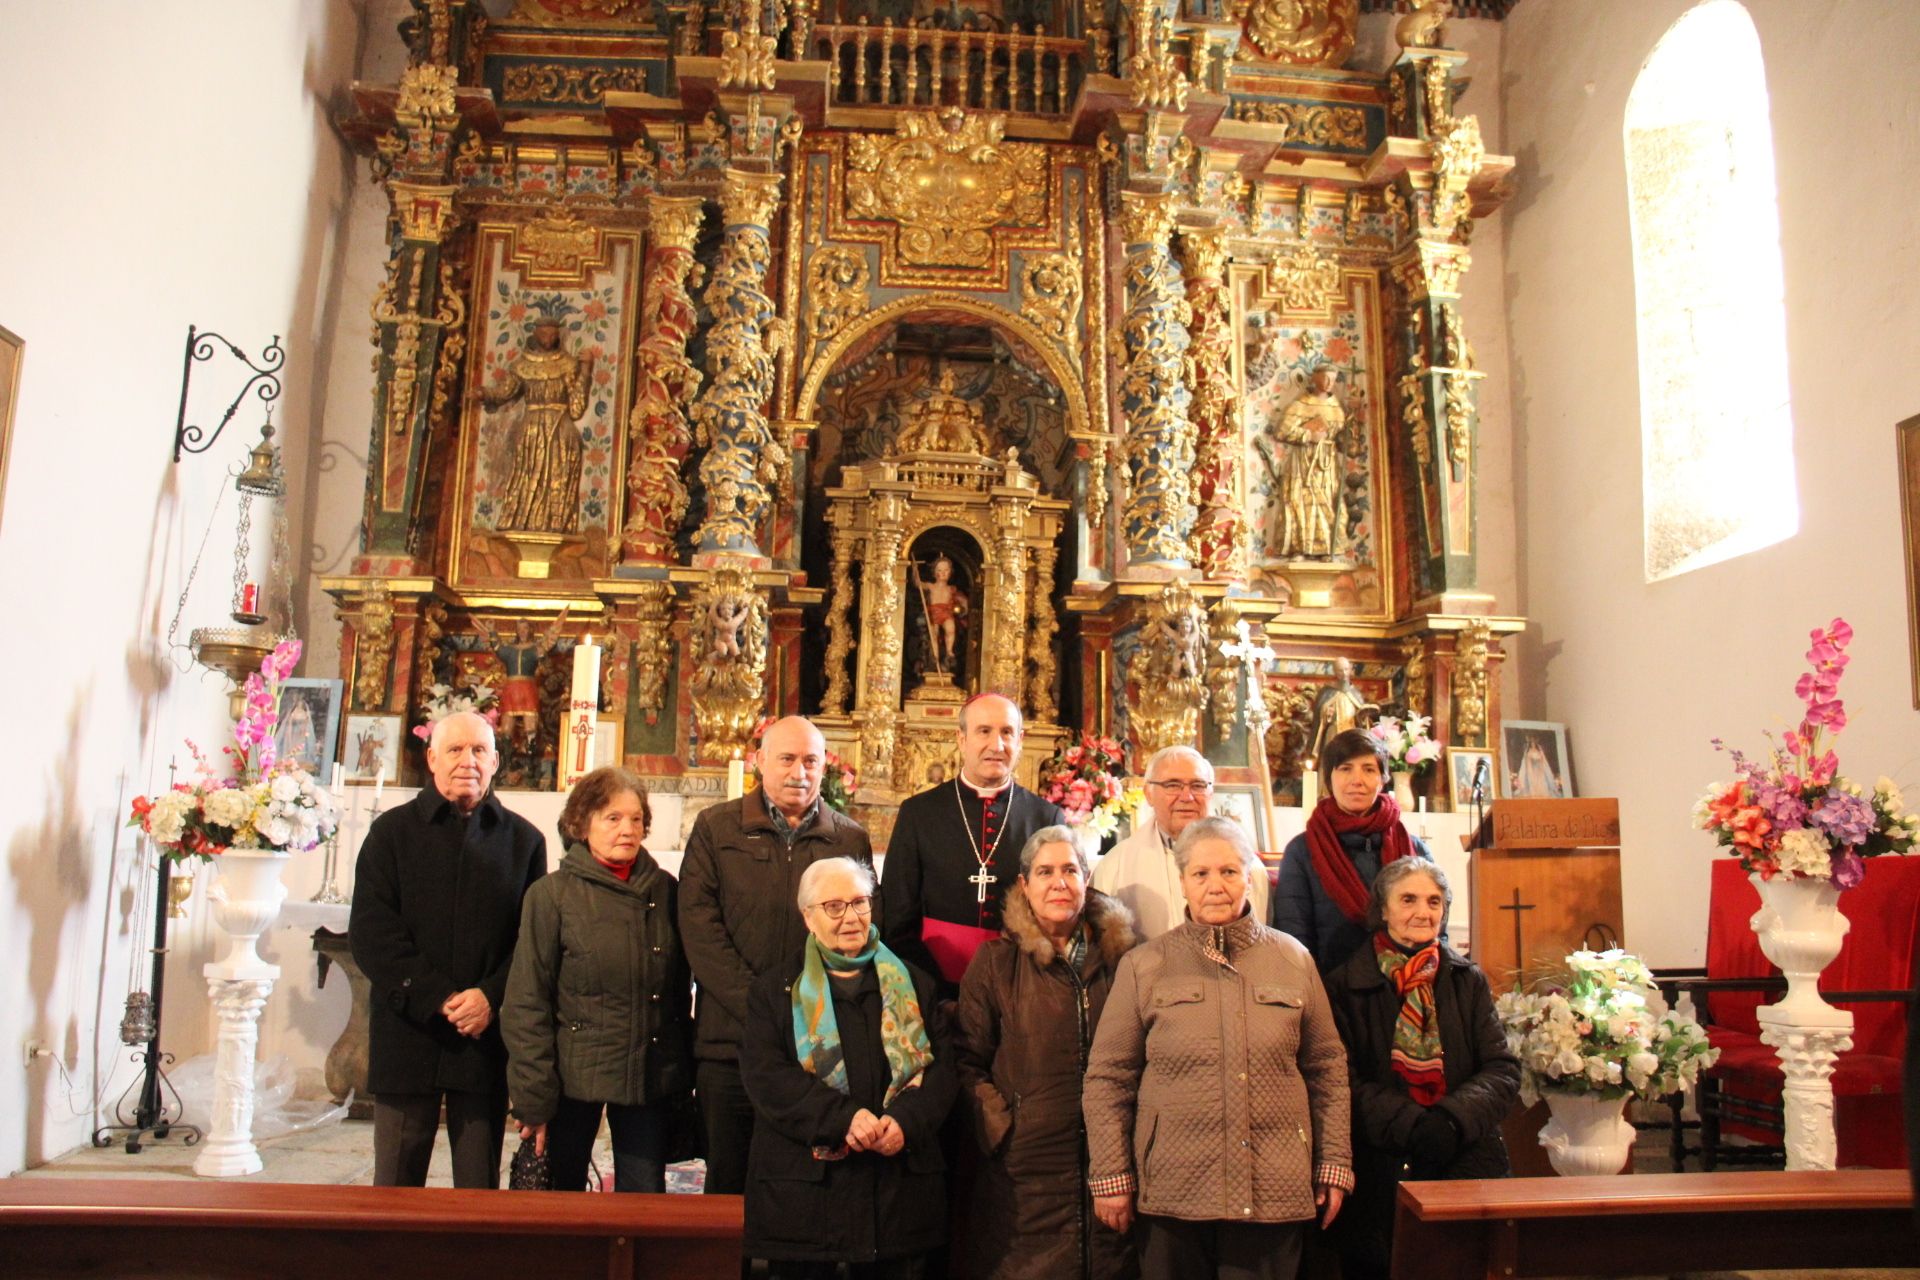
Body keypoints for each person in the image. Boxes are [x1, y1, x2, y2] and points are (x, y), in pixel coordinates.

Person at [1083, 817, 1352, 1280]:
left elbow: (1327, 1068)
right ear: (1182, 881)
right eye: (1201, 874)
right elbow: (1108, 1076)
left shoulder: (1293, 960)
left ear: (1249, 877)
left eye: (1229, 872)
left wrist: (1333, 1162)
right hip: (1172, 1192)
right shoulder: (1144, 965)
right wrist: (1111, 1175)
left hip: (1275, 1190)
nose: (1216, 886)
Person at [678, 715, 876, 1195]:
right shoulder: (715, 828)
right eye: (787, 759)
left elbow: (859, 934)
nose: (800, 772)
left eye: (811, 761)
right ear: (760, 760)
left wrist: (808, 1016)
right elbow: (699, 929)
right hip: (731, 1044)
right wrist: (768, 1012)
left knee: (808, 1184)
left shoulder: (848, 838)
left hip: (819, 1044)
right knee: (729, 1181)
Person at [350, 710, 547, 1188]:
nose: (468, 761)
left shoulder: (524, 841)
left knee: (478, 1188)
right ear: (432, 757)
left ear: (496, 761)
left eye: (479, 750)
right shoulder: (391, 834)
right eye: (455, 750)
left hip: (482, 1039)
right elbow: (373, 932)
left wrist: (489, 997)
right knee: (396, 1185)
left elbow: (532, 942)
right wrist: (437, 996)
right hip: (408, 1029)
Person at [740, 856, 958, 1279]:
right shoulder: (775, 990)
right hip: (807, 1199)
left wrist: (906, 1122)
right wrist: (844, 1118)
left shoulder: (914, 983)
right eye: (834, 907)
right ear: (808, 917)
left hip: (897, 1192)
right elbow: (767, 1078)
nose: (851, 917)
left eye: (860, 902)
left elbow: (943, 1070)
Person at [958, 825, 1142, 1280]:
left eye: (1070, 870)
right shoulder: (995, 964)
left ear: (1087, 878)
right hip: (1025, 1172)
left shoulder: (1126, 962)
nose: (1059, 882)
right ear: (1024, 885)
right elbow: (966, 1062)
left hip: (1111, 1162)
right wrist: (1007, 1129)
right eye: (1045, 872)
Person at [1322, 860, 1519, 1280]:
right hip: (1380, 1163)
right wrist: (1411, 1124)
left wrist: (1449, 1121)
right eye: (1407, 899)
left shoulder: (1467, 979)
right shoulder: (1344, 985)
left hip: (1464, 1155)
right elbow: (1340, 1080)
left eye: (1434, 901)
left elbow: (1502, 1069)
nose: (1422, 912)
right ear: (1384, 910)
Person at [502, 766, 693, 1192]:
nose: (627, 829)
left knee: (643, 1201)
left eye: (636, 819)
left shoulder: (666, 891)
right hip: (572, 1078)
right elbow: (526, 1001)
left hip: (647, 1075)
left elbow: (679, 994)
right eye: (612, 818)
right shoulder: (552, 896)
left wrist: (680, 1076)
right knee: (562, 1200)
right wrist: (533, 1098)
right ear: (581, 823)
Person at [882, 692, 1069, 998]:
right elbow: (897, 917)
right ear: (962, 738)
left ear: (1020, 740)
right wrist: (931, 990)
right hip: (930, 987)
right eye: (984, 731)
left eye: (1007, 732)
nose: (996, 745)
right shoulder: (918, 813)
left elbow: (1059, 916)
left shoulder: (1046, 817)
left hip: (1020, 989)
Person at [1273, 727, 1435, 973]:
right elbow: (1294, 936)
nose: (1357, 780)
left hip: (1407, 984)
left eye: (1369, 769)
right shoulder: (1302, 852)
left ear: (1382, 779)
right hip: (1332, 990)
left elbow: (1436, 924)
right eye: (1345, 768)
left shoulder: (1415, 849)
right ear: (1329, 779)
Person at [1092, 746, 1268, 938]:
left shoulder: (1248, 866)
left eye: (1198, 785)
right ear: (1148, 793)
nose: (1187, 797)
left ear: (1211, 792)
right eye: (1172, 785)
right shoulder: (1114, 867)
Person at [479, 309, 594, 534]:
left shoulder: (569, 364)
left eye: (552, 335)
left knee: (557, 476)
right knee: (527, 474)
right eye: (544, 335)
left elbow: (577, 407)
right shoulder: (522, 365)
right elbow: (505, 391)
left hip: (560, 427)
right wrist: (484, 393)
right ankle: (522, 521)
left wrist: (586, 370)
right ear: (536, 335)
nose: (548, 339)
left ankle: (555, 523)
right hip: (531, 428)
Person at [1272, 363, 1345, 559]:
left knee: (1327, 500)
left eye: (1333, 378)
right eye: (1325, 378)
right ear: (1315, 378)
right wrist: (1308, 436)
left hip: (1326, 462)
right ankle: (1300, 548)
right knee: (1301, 501)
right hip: (1303, 461)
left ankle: (1326, 548)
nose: (1329, 383)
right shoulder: (1301, 404)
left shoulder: (1335, 406)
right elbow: (1282, 431)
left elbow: (1341, 432)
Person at [1305, 656, 1379, 765]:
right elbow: (1318, 720)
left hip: (1352, 735)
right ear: (1335, 672)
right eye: (1340, 670)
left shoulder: (1356, 693)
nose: (1344, 673)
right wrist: (1326, 714)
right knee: (1333, 763)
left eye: (1346, 669)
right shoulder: (1327, 692)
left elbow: (1362, 720)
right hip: (1333, 733)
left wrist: (1363, 717)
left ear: (1350, 669)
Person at [912, 554, 969, 676]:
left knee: (950, 629)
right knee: (934, 636)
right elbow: (918, 584)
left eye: (946, 570)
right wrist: (914, 570)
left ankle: (949, 651)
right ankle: (935, 658)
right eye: (939, 570)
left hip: (946, 612)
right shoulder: (931, 586)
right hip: (933, 613)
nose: (943, 573)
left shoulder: (951, 589)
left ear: (950, 572)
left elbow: (961, 599)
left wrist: (964, 604)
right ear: (934, 573)